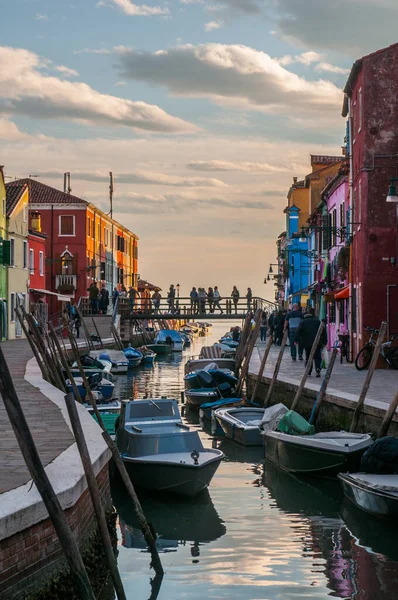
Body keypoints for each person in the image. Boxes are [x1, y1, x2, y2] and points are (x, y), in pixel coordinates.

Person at [295, 307, 327, 377]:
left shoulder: (303, 322)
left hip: (307, 343)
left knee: (308, 356)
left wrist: (295, 340)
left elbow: (298, 331)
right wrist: (325, 341)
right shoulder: (317, 321)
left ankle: (308, 371)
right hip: (317, 342)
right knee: (317, 357)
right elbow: (323, 332)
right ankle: (318, 369)